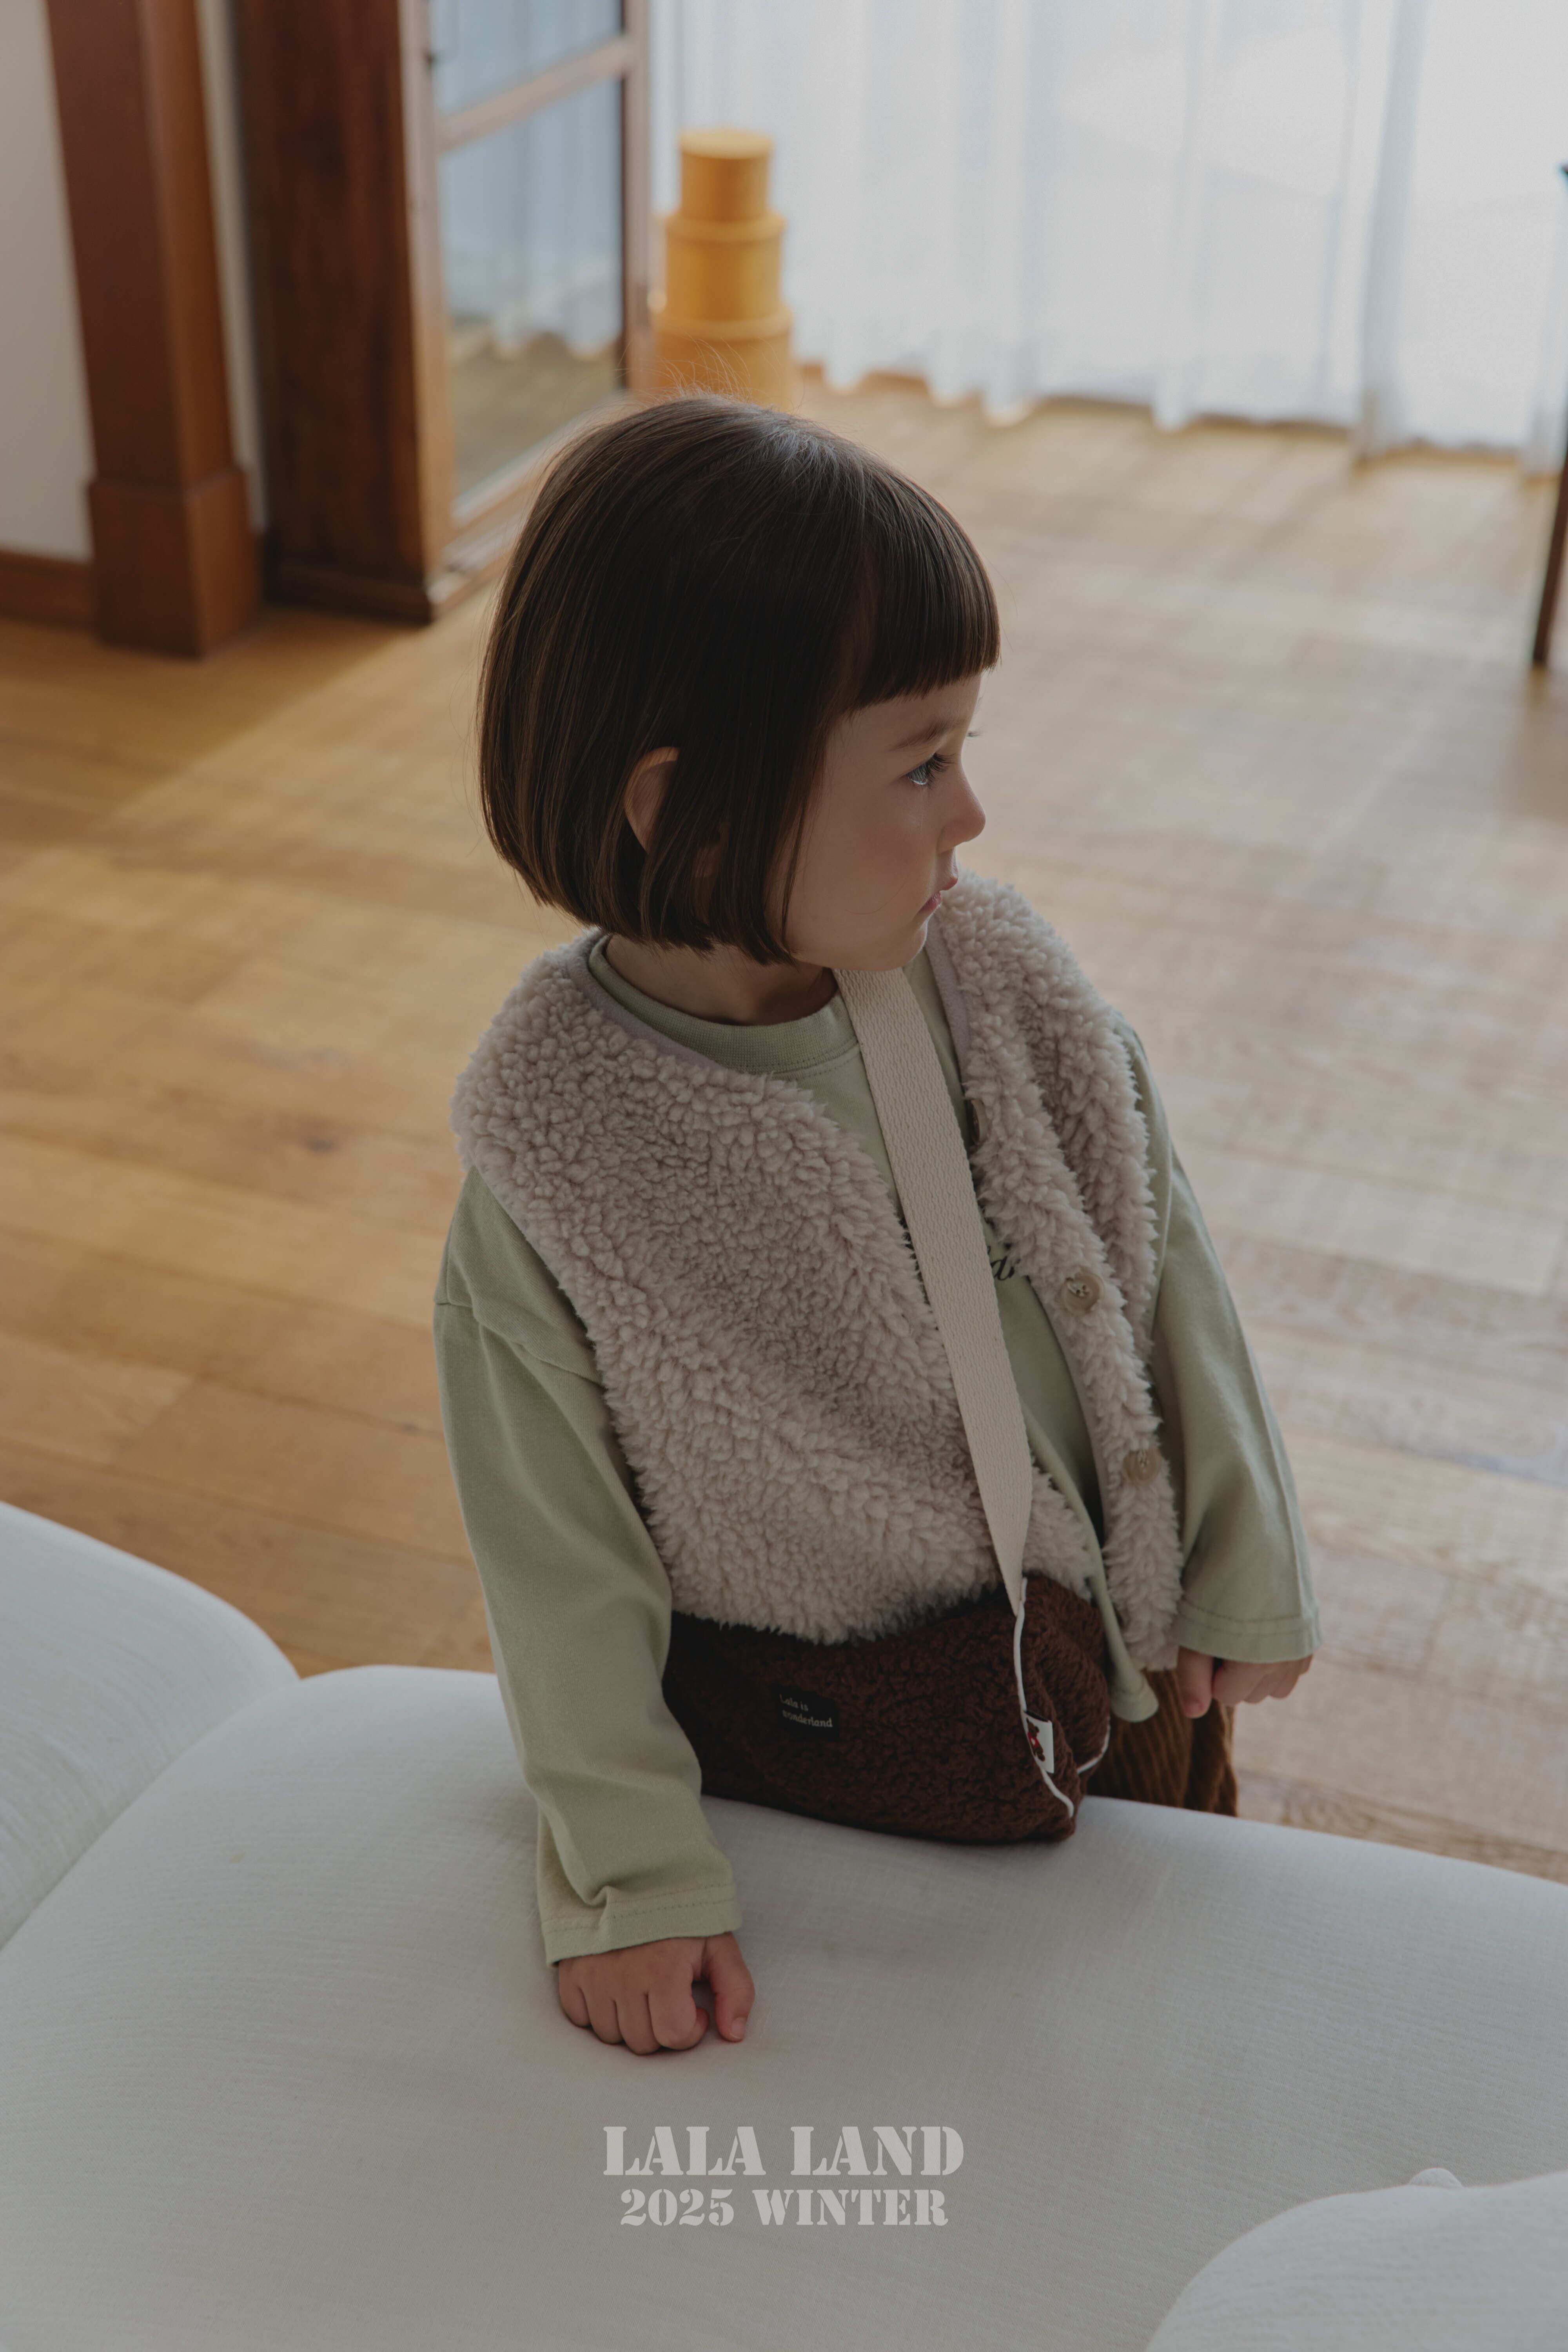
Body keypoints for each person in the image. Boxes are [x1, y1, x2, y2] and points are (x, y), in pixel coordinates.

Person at [434, 394, 1320, 2062]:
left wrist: (1243, 1552)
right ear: (686, 809)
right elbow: (557, 1570)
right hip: (838, 1747)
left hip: (1128, 1666)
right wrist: (630, 1882)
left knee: (1159, 2008)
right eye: (922, 762)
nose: (969, 813)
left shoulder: (1002, 988)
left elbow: (1161, 1264)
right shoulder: (563, 1160)